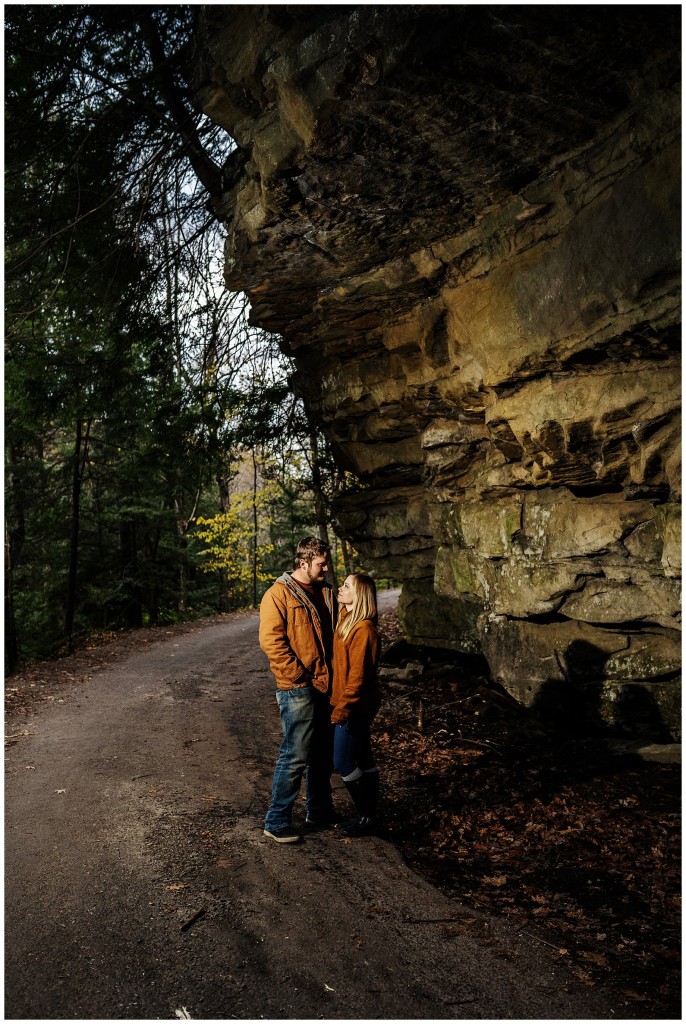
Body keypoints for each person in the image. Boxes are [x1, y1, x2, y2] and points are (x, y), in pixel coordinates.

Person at [259, 536, 338, 843]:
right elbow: (271, 642)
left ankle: (319, 810)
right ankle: (276, 820)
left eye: (326, 562)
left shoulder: (328, 593)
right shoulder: (278, 595)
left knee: (322, 753)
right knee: (295, 754)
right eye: (321, 563)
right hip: (297, 688)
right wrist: (298, 679)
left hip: (326, 686)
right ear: (304, 563)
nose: (326, 568)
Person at [331, 573, 382, 837]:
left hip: (356, 706)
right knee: (363, 757)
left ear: (359, 595)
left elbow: (358, 678)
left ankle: (366, 816)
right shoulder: (347, 620)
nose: (341, 588)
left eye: (347, 586)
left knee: (342, 759)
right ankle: (370, 815)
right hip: (353, 703)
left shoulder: (363, 630)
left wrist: (342, 709)